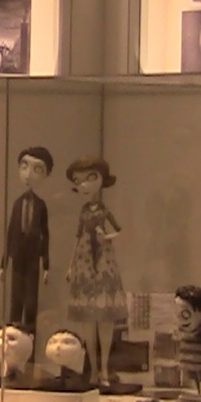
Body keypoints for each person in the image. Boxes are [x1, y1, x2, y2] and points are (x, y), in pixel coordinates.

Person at [65, 157, 127, 389]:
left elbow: (118, 230)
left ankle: (104, 369)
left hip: (102, 258)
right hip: (84, 260)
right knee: (88, 320)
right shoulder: (84, 211)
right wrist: (71, 265)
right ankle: (93, 369)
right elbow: (77, 236)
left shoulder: (103, 210)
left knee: (105, 318)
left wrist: (106, 236)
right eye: (79, 181)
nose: (84, 185)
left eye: (90, 178)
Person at [0, 147, 54, 342]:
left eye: (37, 169)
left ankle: (29, 339)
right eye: (24, 167)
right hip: (17, 255)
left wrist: (46, 264)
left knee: (31, 301)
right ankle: (12, 340)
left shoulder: (41, 205)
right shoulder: (17, 203)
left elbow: (45, 235)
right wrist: (3, 265)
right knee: (16, 298)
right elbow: (10, 232)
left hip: (32, 258)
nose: (28, 175)